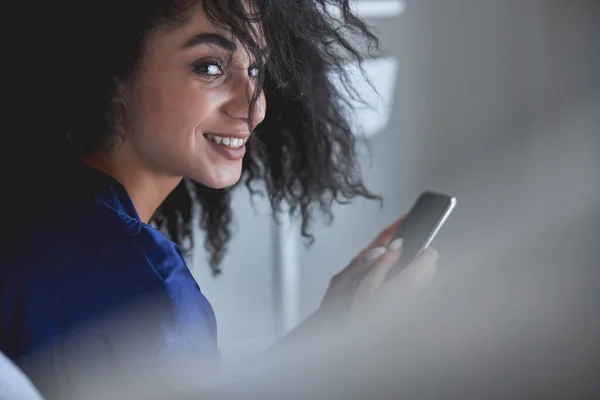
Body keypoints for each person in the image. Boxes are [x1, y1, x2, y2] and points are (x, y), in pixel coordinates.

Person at [0, 0, 438, 397]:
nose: (254, 106)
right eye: (210, 67)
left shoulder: (38, 219)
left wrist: (334, 324)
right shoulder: (146, 290)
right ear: (111, 69)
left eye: (256, 70)